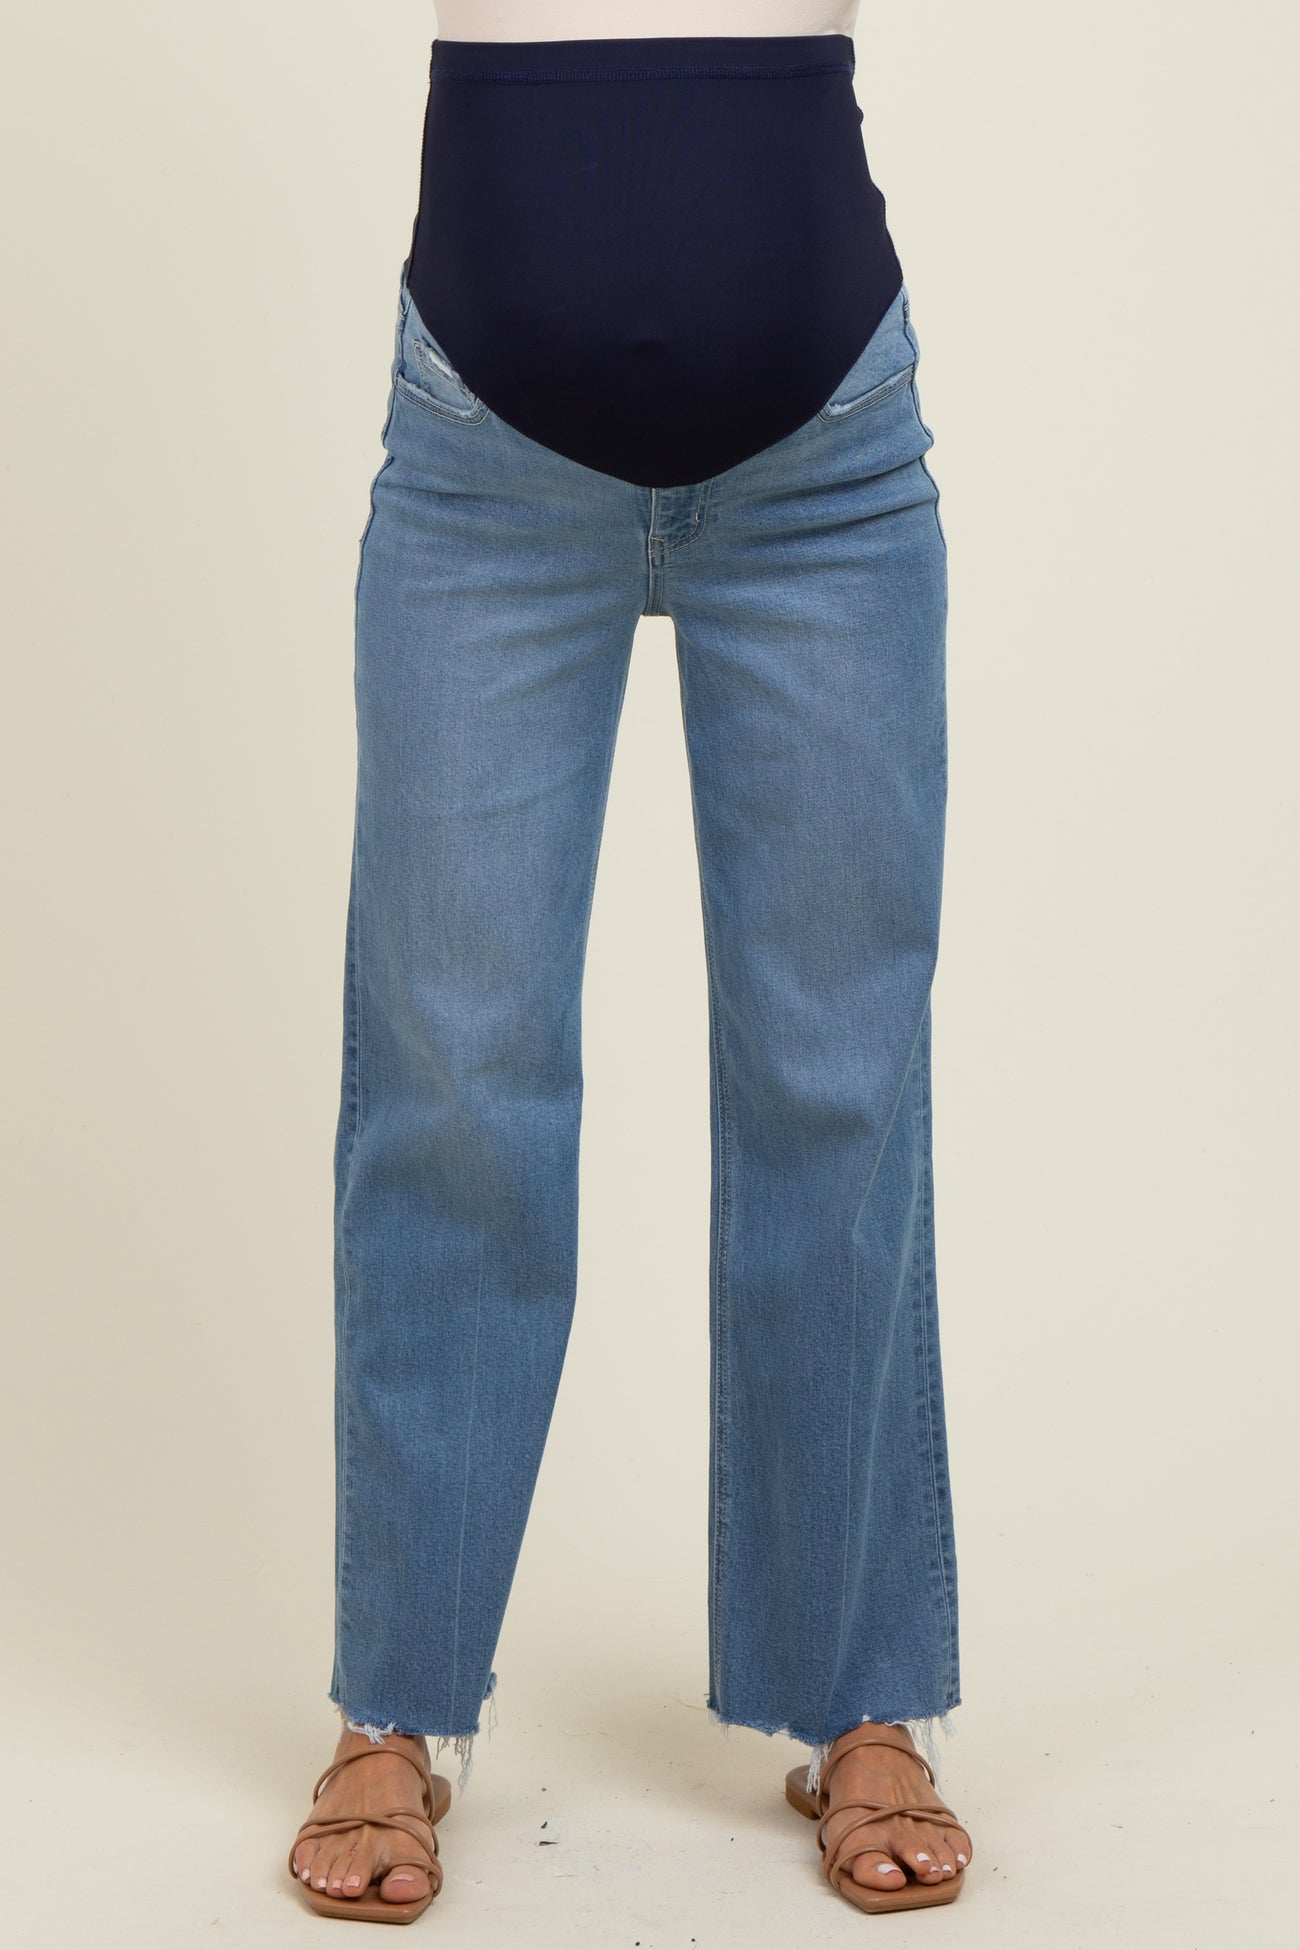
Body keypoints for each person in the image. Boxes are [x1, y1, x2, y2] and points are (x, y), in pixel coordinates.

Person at [288, 2, 974, 1921]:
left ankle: (865, 1695)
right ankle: (393, 1702)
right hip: (483, 464)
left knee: (838, 1077)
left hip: (826, 460)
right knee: (453, 1078)